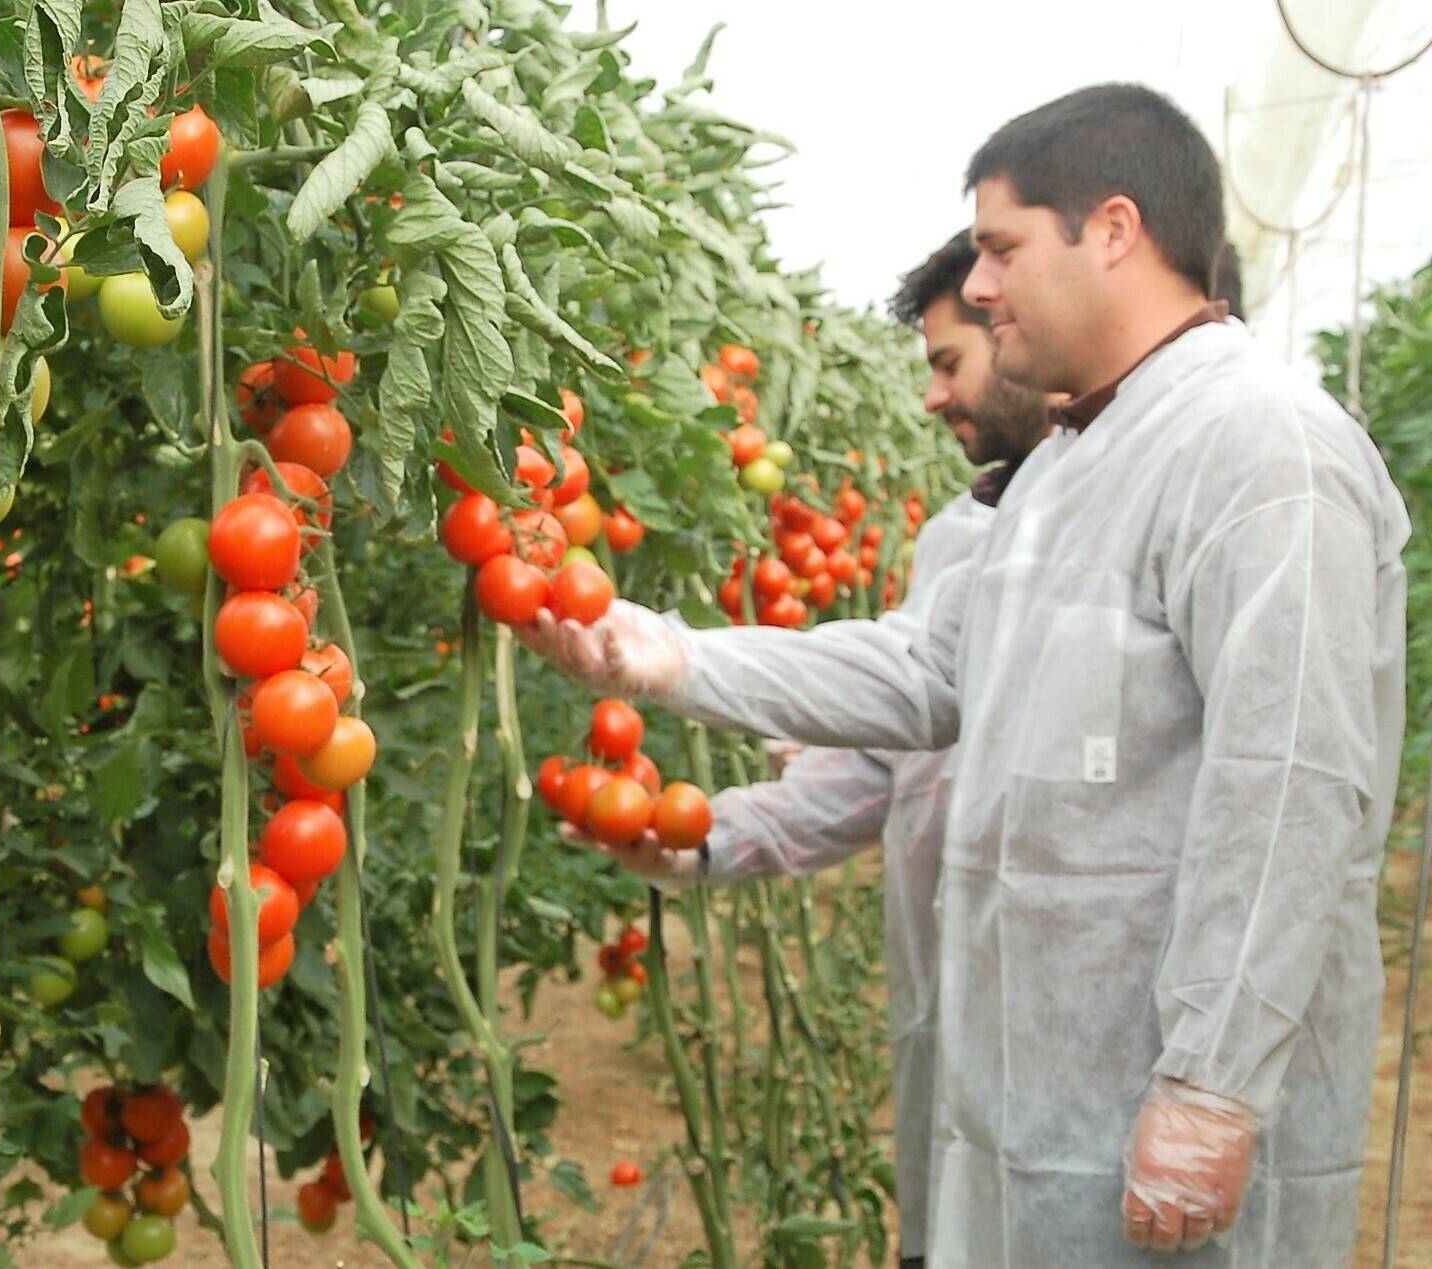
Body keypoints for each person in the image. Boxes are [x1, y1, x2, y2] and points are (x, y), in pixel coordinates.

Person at [529, 84, 1406, 1267]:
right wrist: (675, 657)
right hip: (1038, 1105)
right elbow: (933, 670)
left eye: (999, 247)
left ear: (1113, 229)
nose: (979, 287)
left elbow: (1291, 777)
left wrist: (1214, 1084)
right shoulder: (1063, 470)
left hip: (1163, 1113)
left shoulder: (1261, 446)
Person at [582, 229, 1052, 1269]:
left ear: (1029, 333)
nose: (933, 397)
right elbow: (891, 768)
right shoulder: (967, 537)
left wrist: (681, 662)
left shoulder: (1154, 506)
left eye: (948, 362)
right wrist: (704, 842)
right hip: (963, 1023)